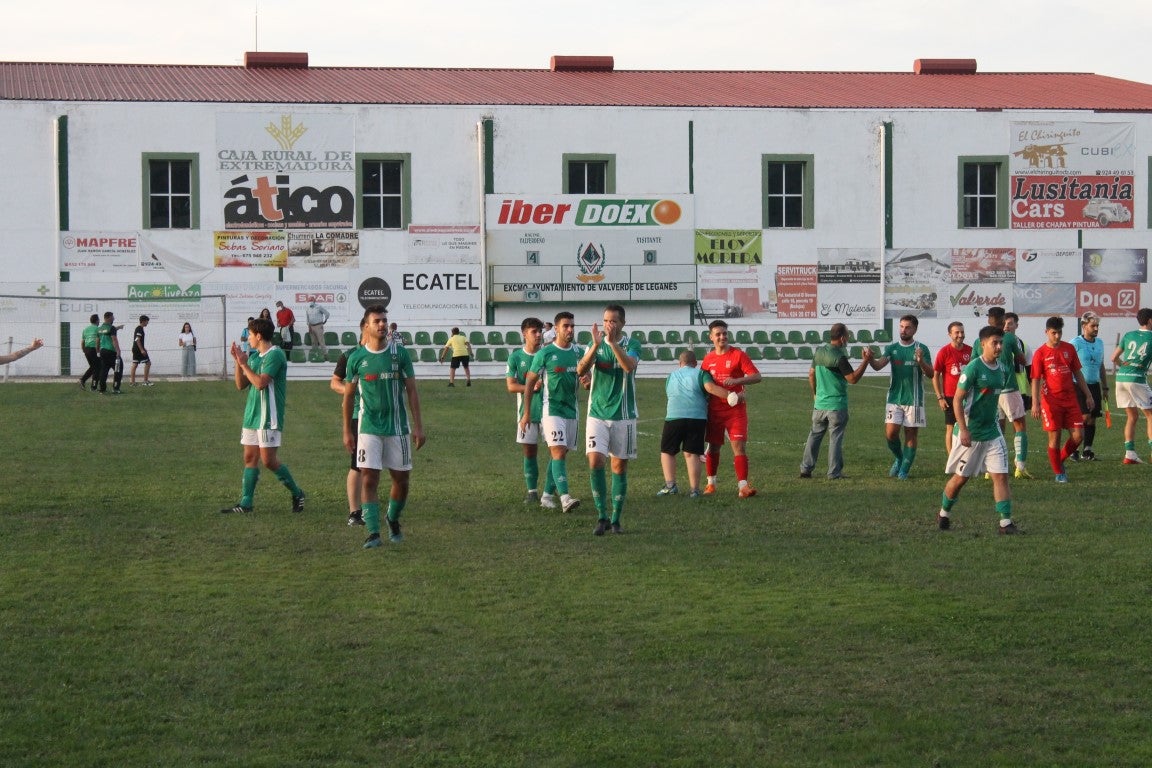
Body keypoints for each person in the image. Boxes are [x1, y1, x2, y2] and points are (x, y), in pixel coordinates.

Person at [343, 305, 426, 548]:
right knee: (369, 478)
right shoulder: (356, 358)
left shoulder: (399, 354)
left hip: (398, 427)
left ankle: (392, 518)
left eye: (384, 320)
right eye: (377, 321)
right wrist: (347, 430)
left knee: (401, 480)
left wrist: (418, 427)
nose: (382, 325)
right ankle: (372, 533)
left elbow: (411, 390)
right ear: (366, 326)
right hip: (368, 427)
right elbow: (348, 397)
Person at [219, 315, 306, 514]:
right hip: (252, 415)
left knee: (268, 460)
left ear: (258, 336)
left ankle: (297, 492)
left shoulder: (275, 355)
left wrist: (244, 364)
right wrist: (238, 362)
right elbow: (241, 385)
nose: (248, 338)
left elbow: (260, 383)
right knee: (250, 457)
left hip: (269, 415)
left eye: (250, 334)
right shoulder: (255, 357)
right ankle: (246, 503)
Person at [937, 325, 1018, 534]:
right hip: (971, 433)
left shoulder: (1002, 369)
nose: (999, 347)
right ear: (983, 344)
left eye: (1001, 342)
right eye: (995, 343)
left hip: (992, 433)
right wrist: (963, 430)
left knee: (1001, 476)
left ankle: (1005, 523)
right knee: (960, 480)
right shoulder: (973, 368)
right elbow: (957, 400)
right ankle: (944, 512)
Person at [576, 304, 641, 536]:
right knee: (595, 462)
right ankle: (602, 516)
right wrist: (595, 345)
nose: (608, 325)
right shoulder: (595, 344)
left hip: (624, 415)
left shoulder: (632, 344)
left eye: (613, 321)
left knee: (618, 466)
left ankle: (616, 520)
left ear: (622, 323)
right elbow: (580, 368)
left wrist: (612, 344)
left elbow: (628, 367)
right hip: (597, 414)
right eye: (605, 321)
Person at [519, 311, 583, 513]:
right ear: (556, 329)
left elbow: (587, 375)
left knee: (560, 454)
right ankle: (565, 498)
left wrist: (587, 380)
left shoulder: (579, 352)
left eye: (572, 326)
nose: (570, 329)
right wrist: (527, 412)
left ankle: (546, 496)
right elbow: (529, 383)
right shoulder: (545, 354)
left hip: (571, 410)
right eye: (566, 326)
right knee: (557, 451)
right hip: (551, 409)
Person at [800, 323, 873, 480]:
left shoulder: (819, 352)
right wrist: (866, 361)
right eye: (847, 336)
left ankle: (805, 469)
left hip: (819, 404)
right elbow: (852, 379)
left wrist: (815, 395)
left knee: (814, 436)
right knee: (835, 439)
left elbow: (811, 375)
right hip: (836, 405)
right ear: (842, 338)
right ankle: (834, 472)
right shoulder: (839, 357)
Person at [658, 350, 735, 497]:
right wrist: (730, 395)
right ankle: (694, 490)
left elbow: (669, 393)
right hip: (697, 418)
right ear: (695, 363)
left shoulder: (671, 376)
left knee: (667, 451)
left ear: (680, 364)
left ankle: (670, 485)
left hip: (674, 417)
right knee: (692, 453)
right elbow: (710, 388)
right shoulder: (701, 374)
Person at [700, 319, 762, 497]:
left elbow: (757, 376)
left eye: (725, 333)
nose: (722, 337)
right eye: (718, 334)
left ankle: (743, 487)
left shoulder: (738, 355)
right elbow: (704, 383)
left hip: (736, 410)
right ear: (711, 337)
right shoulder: (708, 359)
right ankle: (711, 484)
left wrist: (738, 381)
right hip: (715, 411)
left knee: (739, 447)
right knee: (713, 447)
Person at [868, 314, 933, 479]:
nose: (904, 330)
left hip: (914, 400)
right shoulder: (892, 348)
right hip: (894, 398)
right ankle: (899, 458)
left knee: (911, 434)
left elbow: (931, 374)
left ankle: (904, 470)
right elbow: (877, 366)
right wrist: (869, 359)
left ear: (915, 329)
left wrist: (920, 361)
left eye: (908, 327)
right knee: (890, 434)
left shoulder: (921, 348)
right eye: (902, 326)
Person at [1030, 315, 1094, 483]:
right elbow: (1036, 379)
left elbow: (1077, 373)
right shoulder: (1040, 353)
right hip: (1051, 401)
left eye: (1059, 333)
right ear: (1046, 332)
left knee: (1078, 436)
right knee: (1055, 437)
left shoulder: (1069, 349)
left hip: (1071, 399)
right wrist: (1035, 403)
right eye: (1053, 333)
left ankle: (1059, 461)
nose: (1057, 336)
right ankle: (1059, 473)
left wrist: (1088, 394)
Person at [506, 316, 554, 505]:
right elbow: (511, 386)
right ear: (524, 334)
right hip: (527, 411)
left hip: (551, 412)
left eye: (540, 331)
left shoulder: (548, 354)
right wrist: (530, 387)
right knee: (529, 451)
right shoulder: (516, 357)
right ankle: (532, 491)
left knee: (556, 452)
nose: (538, 335)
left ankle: (550, 489)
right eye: (534, 331)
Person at [987, 308, 1033, 478]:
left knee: (996, 428)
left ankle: (991, 469)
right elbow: (1022, 360)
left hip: (990, 391)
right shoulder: (1009, 338)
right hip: (1008, 388)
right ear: (1002, 321)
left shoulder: (981, 340)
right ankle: (1020, 467)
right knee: (1020, 425)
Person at [331, 316, 368, 526]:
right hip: (358, 416)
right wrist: (352, 391)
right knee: (357, 465)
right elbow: (334, 383)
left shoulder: (385, 353)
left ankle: (368, 507)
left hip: (380, 417)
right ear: (364, 327)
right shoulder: (350, 355)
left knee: (373, 466)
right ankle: (355, 512)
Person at [1111, 306, 1152, 465]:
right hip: (1136, 379)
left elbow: (1114, 357)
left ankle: (1130, 454)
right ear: (1149, 321)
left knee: (1132, 415)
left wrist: (1125, 366)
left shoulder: (1129, 335)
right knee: (1150, 415)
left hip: (1121, 378)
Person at [1070, 311, 1107, 461]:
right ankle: (1074, 450)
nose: (1096, 328)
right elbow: (1068, 364)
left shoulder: (1100, 343)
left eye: (1097, 325)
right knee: (1083, 417)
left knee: (1092, 418)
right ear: (1084, 326)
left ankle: (1087, 451)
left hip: (1094, 385)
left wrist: (1105, 387)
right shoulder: (1075, 343)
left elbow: (1101, 365)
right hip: (1078, 385)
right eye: (1093, 326)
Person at [932, 321, 972, 456]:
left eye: (962, 332)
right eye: (957, 332)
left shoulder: (970, 351)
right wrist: (940, 397)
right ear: (950, 335)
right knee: (951, 427)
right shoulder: (944, 352)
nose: (960, 335)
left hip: (968, 395)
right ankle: (951, 459)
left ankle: (968, 456)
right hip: (950, 396)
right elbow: (935, 375)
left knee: (969, 426)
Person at [96, 311, 124, 395]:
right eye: (112, 317)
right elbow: (114, 339)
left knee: (104, 370)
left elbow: (97, 341)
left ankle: (102, 389)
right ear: (108, 318)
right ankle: (116, 388)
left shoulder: (99, 329)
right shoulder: (111, 328)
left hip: (103, 351)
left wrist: (98, 351)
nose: (114, 318)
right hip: (111, 351)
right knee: (118, 369)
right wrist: (118, 351)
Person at [128, 315, 152, 386]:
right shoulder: (139, 329)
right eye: (147, 321)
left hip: (136, 348)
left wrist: (143, 348)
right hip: (138, 349)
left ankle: (132, 382)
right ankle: (145, 381)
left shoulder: (139, 328)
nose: (147, 323)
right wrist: (142, 350)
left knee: (135, 364)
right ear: (144, 321)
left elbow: (137, 339)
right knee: (148, 363)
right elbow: (137, 339)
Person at [79, 313, 101, 390]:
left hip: (87, 349)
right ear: (97, 321)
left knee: (94, 367)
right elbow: (99, 340)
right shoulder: (98, 329)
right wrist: (98, 350)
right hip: (93, 349)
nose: (99, 321)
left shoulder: (85, 329)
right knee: (97, 367)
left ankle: (92, 385)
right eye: (99, 320)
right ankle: (86, 381)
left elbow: (82, 342)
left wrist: (84, 351)